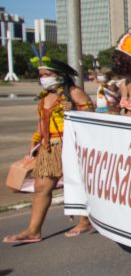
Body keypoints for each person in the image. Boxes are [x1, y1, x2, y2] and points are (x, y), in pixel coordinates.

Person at [4, 50, 94, 244]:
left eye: (47, 75)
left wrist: (75, 109)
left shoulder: (74, 93)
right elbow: (41, 123)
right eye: (41, 76)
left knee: (77, 183)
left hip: (70, 145)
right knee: (41, 188)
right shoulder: (46, 97)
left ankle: (85, 220)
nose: (43, 79)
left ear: (60, 76)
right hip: (48, 147)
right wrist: (34, 144)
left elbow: (91, 116)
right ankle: (33, 230)